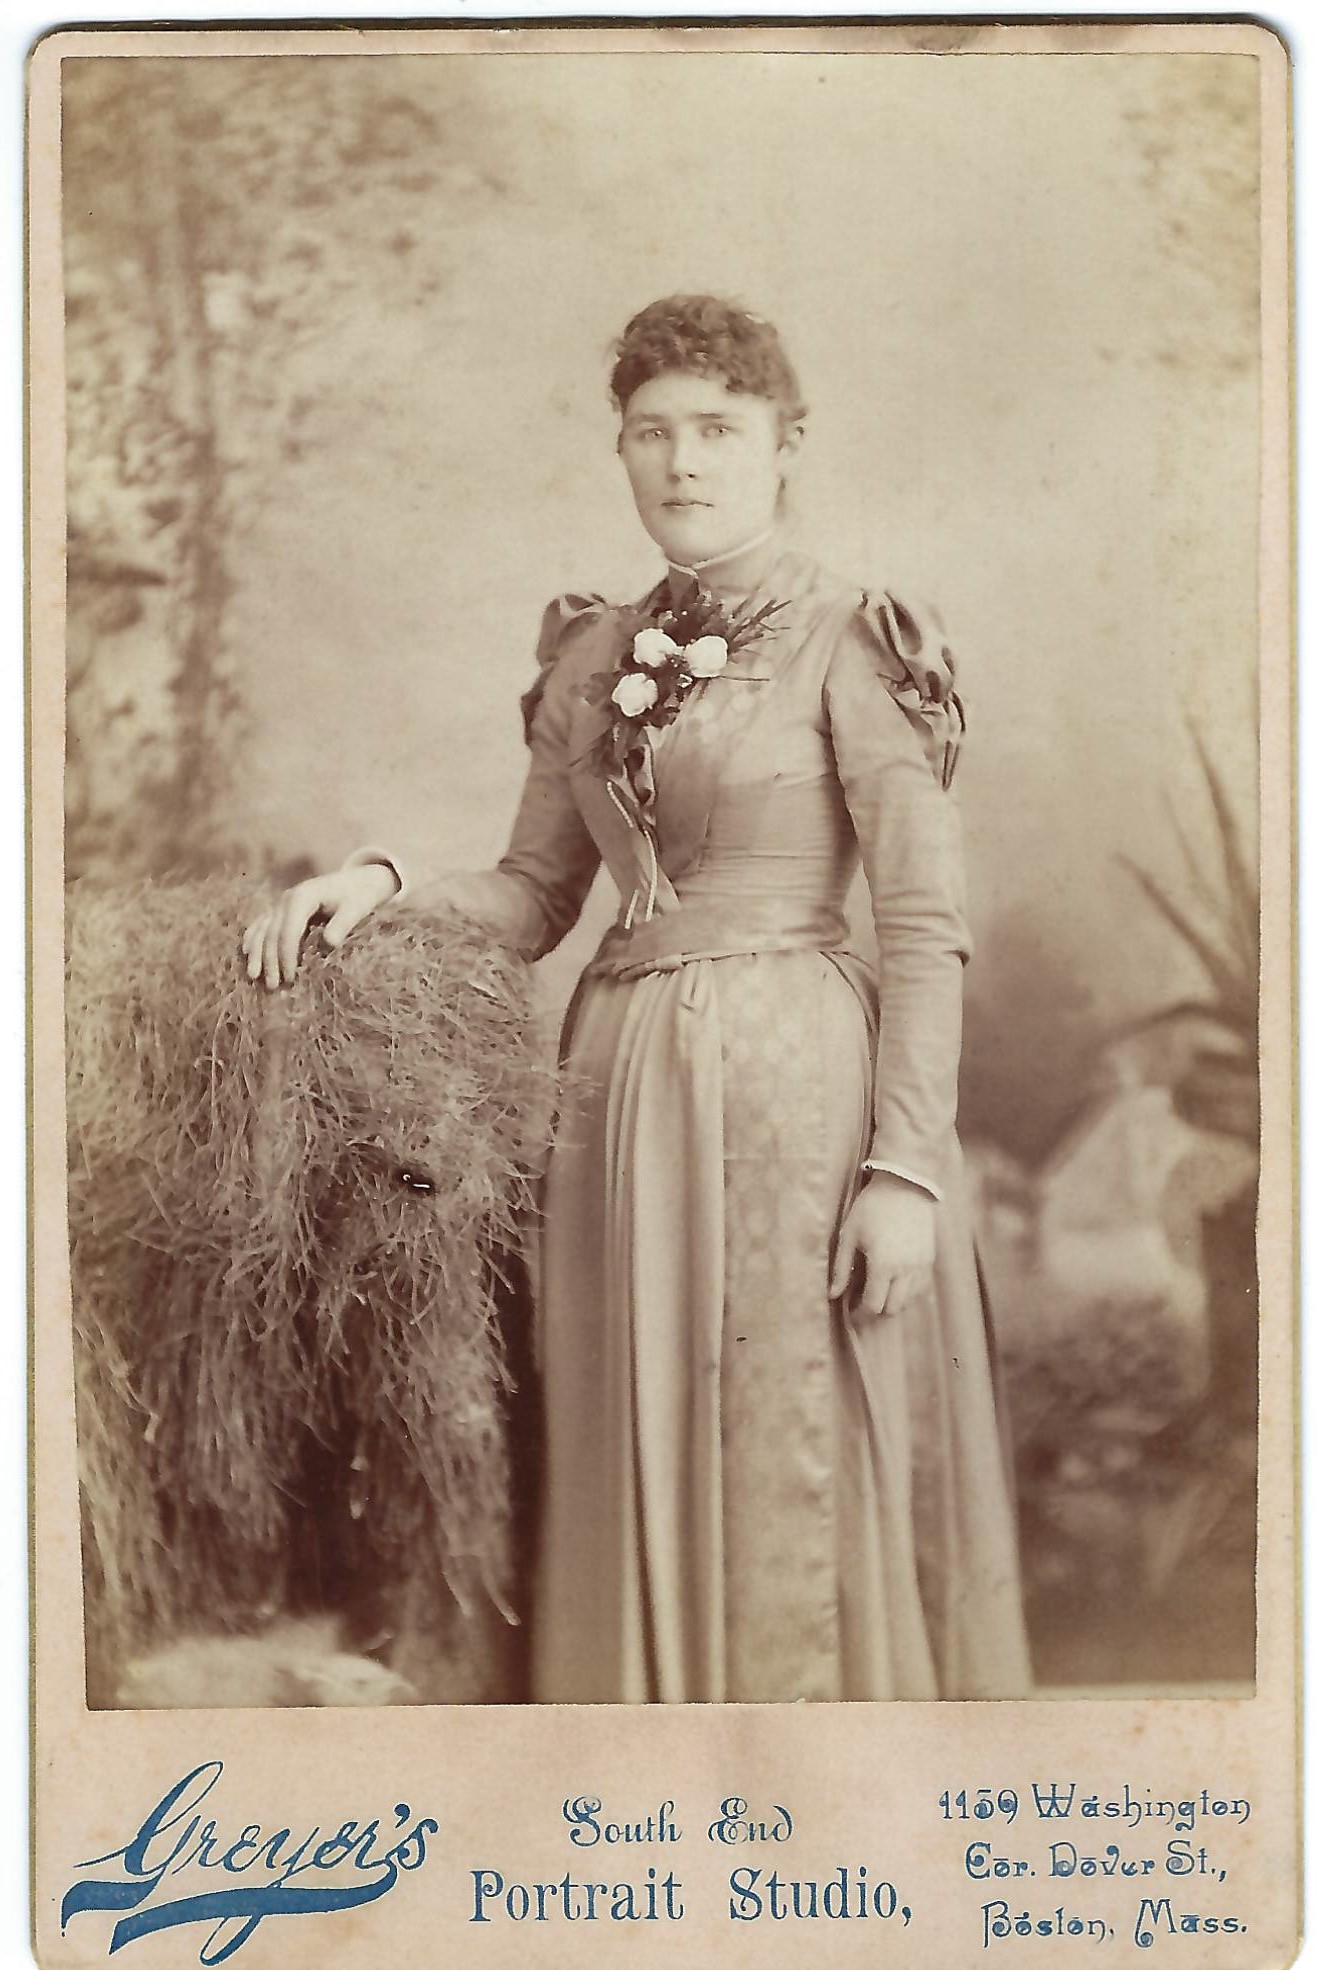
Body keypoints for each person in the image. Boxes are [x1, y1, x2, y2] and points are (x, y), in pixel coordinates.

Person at [244, 295, 1032, 1704]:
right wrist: (378, 882)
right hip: (615, 1099)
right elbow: (533, 895)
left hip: (803, 1100)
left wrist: (906, 1168)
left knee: (790, 1437)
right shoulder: (593, 653)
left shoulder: (853, 638)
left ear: (786, 445)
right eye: (651, 432)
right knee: (634, 1425)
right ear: (620, 448)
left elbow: (922, 924)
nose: (683, 461)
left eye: (718, 429)